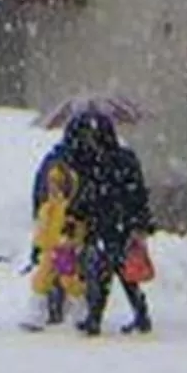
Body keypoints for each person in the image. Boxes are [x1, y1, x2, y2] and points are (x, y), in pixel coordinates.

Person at [64, 112, 153, 336]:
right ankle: (140, 315)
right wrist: (140, 221)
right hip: (122, 223)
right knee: (124, 273)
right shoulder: (125, 159)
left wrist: (77, 214)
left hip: (103, 223)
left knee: (102, 274)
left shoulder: (95, 162)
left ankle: (96, 318)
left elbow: (88, 194)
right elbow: (138, 192)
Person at [27, 159, 86, 328]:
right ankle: (35, 316)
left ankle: (80, 313)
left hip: (64, 250)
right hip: (49, 250)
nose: (53, 187)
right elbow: (42, 227)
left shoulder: (70, 209)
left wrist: (72, 242)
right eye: (51, 183)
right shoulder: (48, 207)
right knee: (40, 281)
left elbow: (78, 230)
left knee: (70, 282)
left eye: (57, 184)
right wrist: (38, 245)